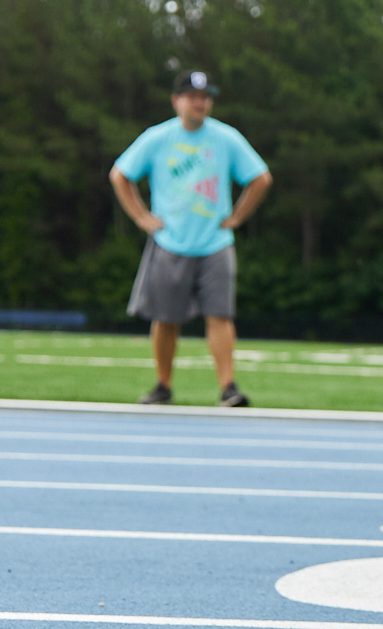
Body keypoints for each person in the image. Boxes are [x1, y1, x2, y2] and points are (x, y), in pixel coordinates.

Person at [109, 71, 271, 406]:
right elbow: (120, 174)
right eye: (193, 96)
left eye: (205, 97)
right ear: (176, 101)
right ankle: (163, 386)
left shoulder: (225, 138)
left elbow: (260, 178)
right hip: (170, 242)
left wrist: (238, 216)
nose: (200, 102)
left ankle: (228, 387)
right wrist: (140, 217)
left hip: (215, 242)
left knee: (220, 315)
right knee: (166, 318)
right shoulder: (158, 138)